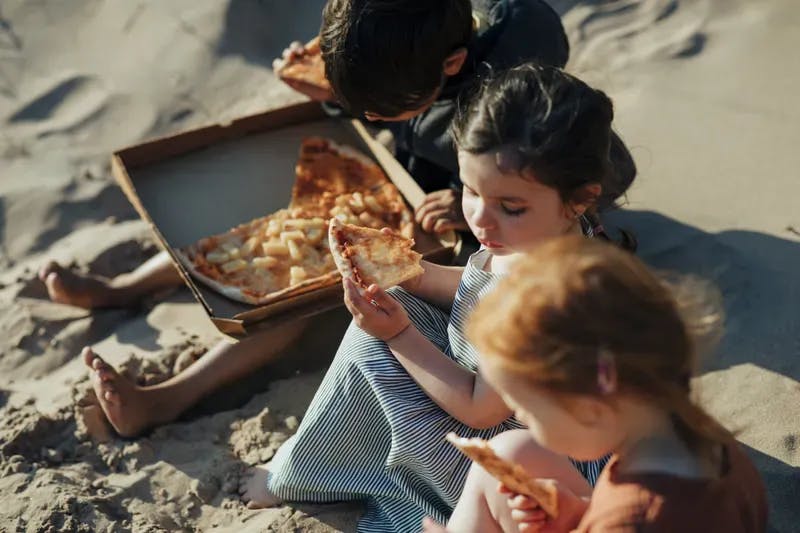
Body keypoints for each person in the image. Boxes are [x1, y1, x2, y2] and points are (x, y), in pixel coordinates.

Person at [44, 0, 592, 437]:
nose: (369, 117)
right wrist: (325, 92)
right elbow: (381, 101)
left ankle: (167, 399)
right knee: (279, 230)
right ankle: (125, 286)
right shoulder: (407, 46)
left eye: (378, 110)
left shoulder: (516, 68)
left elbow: (546, 165)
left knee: (305, 291)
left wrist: (460, 195)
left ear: (451, 65)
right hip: (414, 174)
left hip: (465, 212)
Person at [239, 64, 635, 532]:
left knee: (374, 343)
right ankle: (315, 465)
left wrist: (399, 335)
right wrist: (415, 275)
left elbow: (479, 408)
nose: (481, 221)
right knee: (393, 303)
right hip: (493, 397)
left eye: (510, 207)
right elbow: (477, 288)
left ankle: (304, 475)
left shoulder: (549, 297)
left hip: (525, 450)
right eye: (469, 190)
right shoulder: (535, 239)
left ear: (579, 199)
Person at [423, 236, 768, 533]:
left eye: (525, 408)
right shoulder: (703, 445)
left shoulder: (635, 518)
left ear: (590, 406)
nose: (521, 417)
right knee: (509, 453)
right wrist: (581, 514)